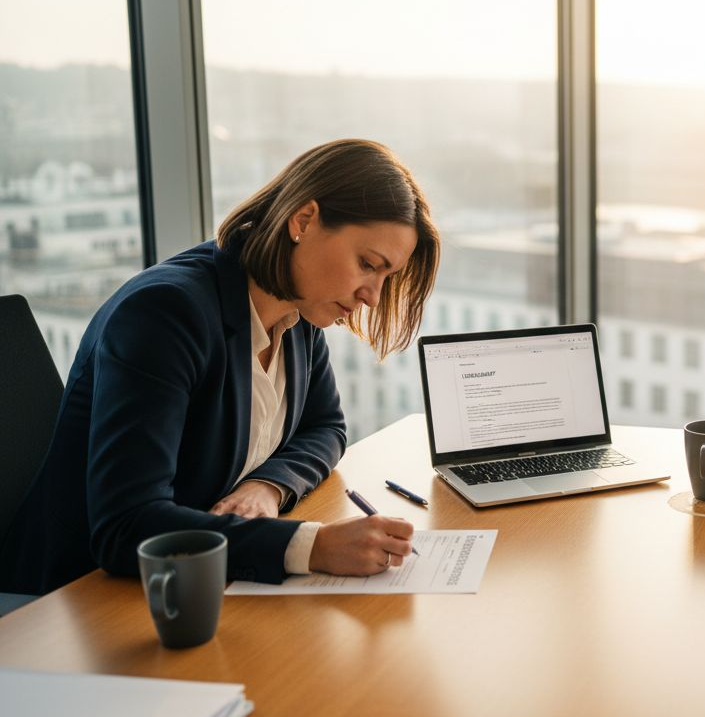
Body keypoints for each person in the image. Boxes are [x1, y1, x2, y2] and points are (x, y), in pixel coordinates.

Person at [0, 138, 441, 595]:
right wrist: (310, 546)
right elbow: (127, 526)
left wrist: (268, 486)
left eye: (386, 277)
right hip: (76, 596)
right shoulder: (165, 314)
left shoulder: (299, 313)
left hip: (196, 581)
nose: (373, 296)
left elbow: (326, 427)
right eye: (368, 264)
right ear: (304, 220)